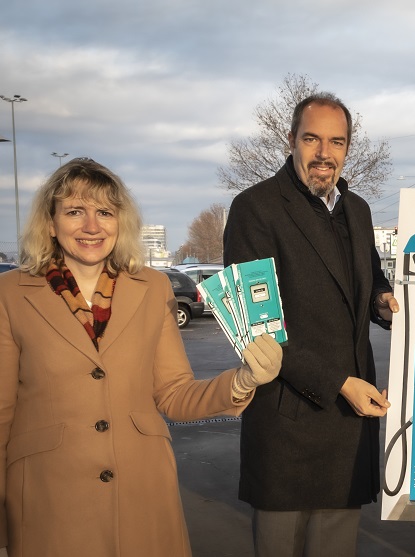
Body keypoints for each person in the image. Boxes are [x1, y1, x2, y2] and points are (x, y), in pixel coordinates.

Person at [0, 158, 283, 557]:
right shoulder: (10, 293)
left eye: (104, 212)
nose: (92, 226)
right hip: (48, 504)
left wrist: (243, 380)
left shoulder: (152, 288)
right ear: (50, 222)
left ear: (121, 222)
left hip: (144, 497)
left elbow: (174, 393)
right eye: (75, 212)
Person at [223, 92, 398, 557]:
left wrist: (381, 300)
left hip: (349, 420)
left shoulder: (357, 210)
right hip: (289, 422)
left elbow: (370, 277)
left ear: (347, 148)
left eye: (336, 142)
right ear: (292, 140)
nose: (324, 153)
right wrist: (340, 382)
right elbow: (257, 329)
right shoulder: (254, 209)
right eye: (312, 139)